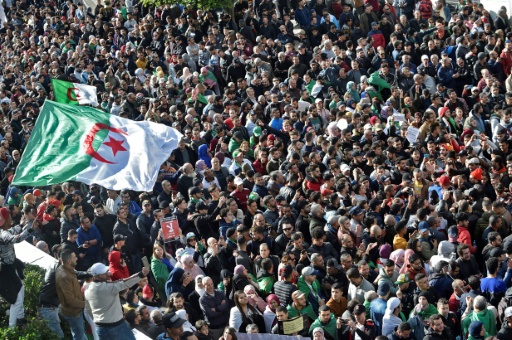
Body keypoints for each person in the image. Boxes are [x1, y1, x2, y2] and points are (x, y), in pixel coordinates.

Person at [83, 263, 150, 339]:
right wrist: (141, 274)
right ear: (96, 276)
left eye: (107, 271)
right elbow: (125, 283)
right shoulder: (108, 287)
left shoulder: (87, 288)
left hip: (99, 328)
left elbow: (88, 309)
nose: (108, 274)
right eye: (104, 273)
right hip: (116, 326)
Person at [0, 207, 38, 328]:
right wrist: (30, 229)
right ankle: (12, 328)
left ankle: (20, 318)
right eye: (9, 217)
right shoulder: (2, 234)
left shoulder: (4, 230)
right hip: (7, 271)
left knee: (20, 294)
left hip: (12, 267)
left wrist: (22, 225)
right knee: (16, 299)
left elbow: (13, 230)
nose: (11, 218)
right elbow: (15, 239)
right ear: (6, 219)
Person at [55, 249, 87, 340]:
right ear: (69, 261)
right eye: (74, 257)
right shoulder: (64, 276)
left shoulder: (65, 270)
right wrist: (86, 304)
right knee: (79, 336)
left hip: (75, 311)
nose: (77, 259)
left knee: (80, 335)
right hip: (73, 312)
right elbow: (70, 300)